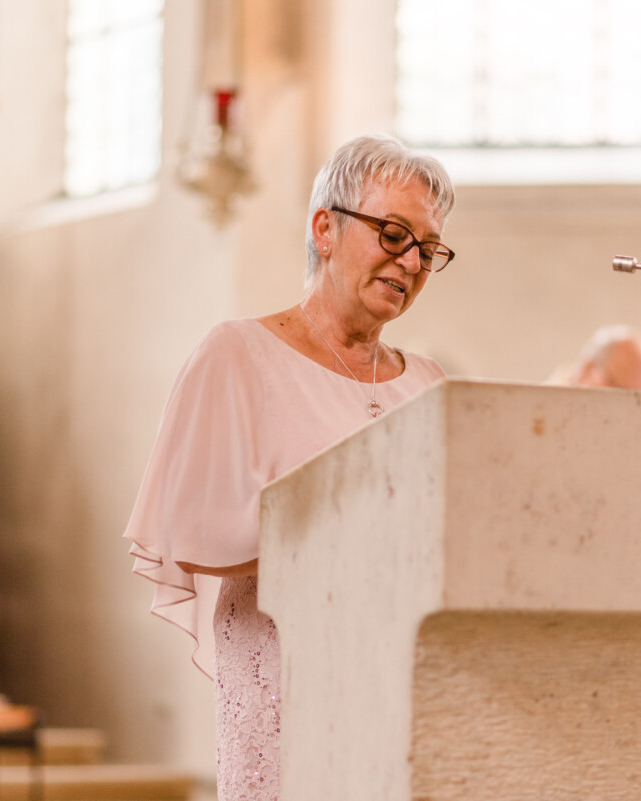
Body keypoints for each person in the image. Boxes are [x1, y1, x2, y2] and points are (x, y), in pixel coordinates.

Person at [123, 134, 456, 801]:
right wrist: (347, 517)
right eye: (394, 233)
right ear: (325, 228)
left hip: (404, 675)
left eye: (428, 247)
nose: (412, 261)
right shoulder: (240, 355)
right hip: (287, 670)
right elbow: (193, 527)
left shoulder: (428, 385)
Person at [549, 324, 641, 391]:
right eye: (617, 388)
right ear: (588, 368)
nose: (625, 407)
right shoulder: (537, 414)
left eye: (639, 399)